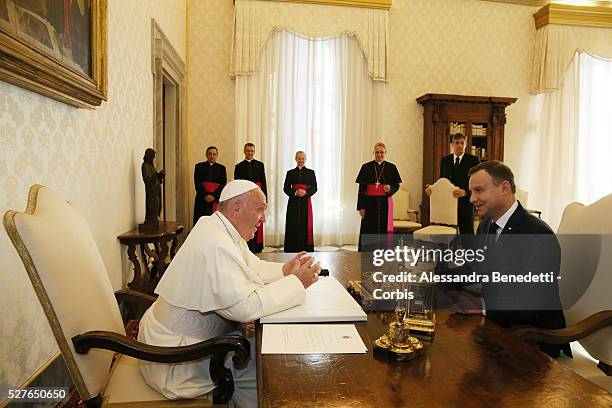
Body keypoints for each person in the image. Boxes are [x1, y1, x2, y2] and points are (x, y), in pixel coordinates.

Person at [138, 180, 322, 407]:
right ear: (237, 207)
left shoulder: (219, 228)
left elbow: (251, 267)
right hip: (178, 358)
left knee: (267, 351)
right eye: (260, 209)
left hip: (194, 340)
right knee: (265, 368)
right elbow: (244, 307)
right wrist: (296, 283)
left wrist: (285, 271)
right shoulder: (216, 241)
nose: (263, 218)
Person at [449, 160, 569, 358]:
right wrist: (433, 276)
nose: (472, 199)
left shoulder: (537, 235)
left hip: (533, 342)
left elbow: (533, 304)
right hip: (498, 330)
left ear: (504, 188)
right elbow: (475, 268)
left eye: (479, 190)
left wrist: (483, 308)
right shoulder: (486, 225)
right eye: (471, 192)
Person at [426, 133, 480, 234]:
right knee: (445, 237)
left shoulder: (473, 160)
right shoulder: (444, 160)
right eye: (457, 143)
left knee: (467, 237)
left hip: (465, 204)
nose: (459, 145)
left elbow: (479, 183)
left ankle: (469, 251)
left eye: (462, 143)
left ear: (466, 144)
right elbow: (442, 181)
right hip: (447, 205)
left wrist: (465, 192)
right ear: (452, 144)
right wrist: (433, 189)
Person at [356, 142, 402, 252]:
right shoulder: (366, 167)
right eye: (377, 152)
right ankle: (366, 253)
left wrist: (390, 188)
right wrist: (361, 207)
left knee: (383, 230)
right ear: (373, 153)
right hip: (369, 204)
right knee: (368, 229)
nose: (379, 154)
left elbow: (396, 185)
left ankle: (383, 253)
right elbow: (362, 189)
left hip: (385, 204)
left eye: (382, 152)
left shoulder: (391, 167)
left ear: (385, 153)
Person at [234, 143, 267, 253]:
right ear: (244, 151)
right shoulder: (238, 166)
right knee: (246, 220)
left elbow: (263, 183)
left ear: (254, 152)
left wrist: (265, 199)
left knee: (257, 220)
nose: (249, 153)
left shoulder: (260, 165)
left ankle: (257, 246)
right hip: (245, 199)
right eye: (248, 151)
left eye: (251, 151)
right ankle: (246, 244)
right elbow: (237, 184)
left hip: (258, 198)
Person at [283, 151, 317, 252]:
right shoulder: (290, 173)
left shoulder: (311, 172)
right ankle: (291, 248)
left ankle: (304, 248)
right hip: (293, 202)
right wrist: (295, 193)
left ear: (305, 159)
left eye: (302, 158)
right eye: (299, 158)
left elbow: (315, 188)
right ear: (295, 159)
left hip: (305, 203)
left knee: (305, 225)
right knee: (292, 224)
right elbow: (285, 188)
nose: (300, 160)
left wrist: (306, 192)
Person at [193, 146, 227, 225]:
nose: (212, 156)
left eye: (214, 154)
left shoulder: (222, 168)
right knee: (201, 221)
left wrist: (214, 196)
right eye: (210, 154)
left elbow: (223, 184)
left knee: (215, 223)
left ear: (217, 156)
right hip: (202, 199)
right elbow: (197, 183)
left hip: (215, 199)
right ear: (206, 155)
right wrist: (205, 195)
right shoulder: (199, 166)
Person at [141, 148, 165, 224]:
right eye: (153, 157)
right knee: (152, 209)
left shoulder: (151, 166)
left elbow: (154, 177)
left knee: (157, 207)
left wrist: (160, 175)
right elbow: (147, 180)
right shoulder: (145, 166)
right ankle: (151, 220)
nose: (154, 159)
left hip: (156, 192)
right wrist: (157, 178)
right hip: (151, 193)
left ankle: (155, 219)